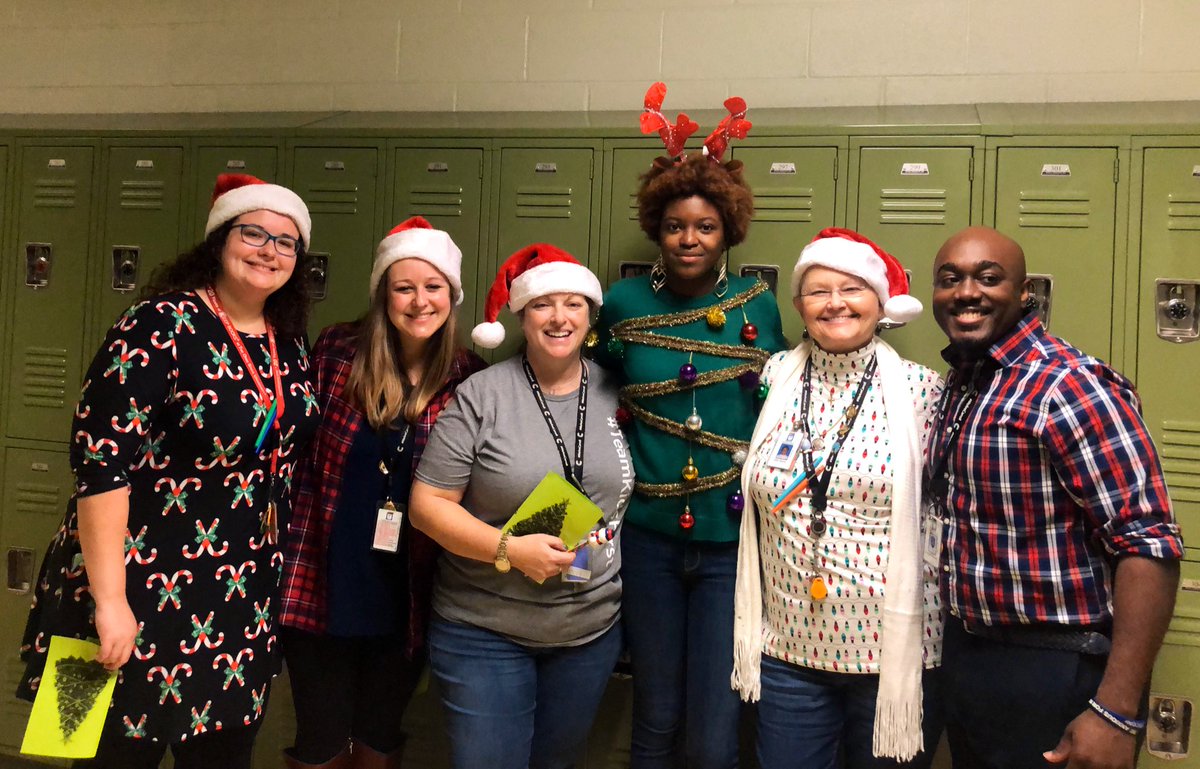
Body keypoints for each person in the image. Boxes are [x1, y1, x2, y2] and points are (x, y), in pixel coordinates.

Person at [18, 174, 320, 768]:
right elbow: (100, 464)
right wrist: (109, 601)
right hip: (122, 578)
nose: (269, 250)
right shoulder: (157, 322)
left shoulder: (287, 340)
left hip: (238, 589)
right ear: (218, 240)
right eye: (253, 233)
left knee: (222, 757)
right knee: (91, 751)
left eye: (286, 242)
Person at [928, 226, 1183, 769]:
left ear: (1026, 294)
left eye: (988, 278)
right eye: (950, 279)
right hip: (972, 657)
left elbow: (1148, 544)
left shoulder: (1067, 385)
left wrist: (1115, 712)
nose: (966, 292)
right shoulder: (966, 382)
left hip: (1059, 664)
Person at [593, 83, 786, 769]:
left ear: (728, 230)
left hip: (731, 546)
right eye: (676, 226)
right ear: (657, 227)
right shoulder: (620, 303)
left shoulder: (759, 305)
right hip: (646, 542)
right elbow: (595, 399)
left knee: (713, 731)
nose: (689, 239)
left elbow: (777, 409)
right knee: (655, 718)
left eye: (705, 226)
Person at [409, 244, 632, 769]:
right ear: (520, 315)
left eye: (573, 304)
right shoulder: (481, 395)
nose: (559, 318)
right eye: (542, 305)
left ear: (590, 314)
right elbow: (427, 505)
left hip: (588, 632)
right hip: (484, 629)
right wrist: (507, 547)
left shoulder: (619, 391)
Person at [731, 228, 945, 768]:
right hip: (787, 648)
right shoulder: (775, 376)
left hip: (889, 652)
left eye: (851, 288)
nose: (835, 303)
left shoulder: (921, 390)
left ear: (880, 302)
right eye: (818, 290)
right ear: (800, 306)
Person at [277, 216, 486, 769]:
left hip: (408, 588)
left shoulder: (470, 375)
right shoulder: (337, 352)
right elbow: (290, 447)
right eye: (404, 287)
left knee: (380, 731)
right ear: (382, 295)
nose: (420, 301)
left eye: (433, 287)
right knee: (320, 737)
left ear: (452, 295)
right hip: (321, 579)